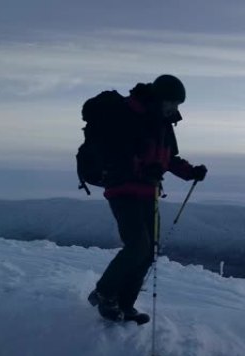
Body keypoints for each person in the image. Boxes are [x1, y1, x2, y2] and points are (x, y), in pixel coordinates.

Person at [87, 74, 207, 323]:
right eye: (172, 102)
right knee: (138, 245)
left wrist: (190, 172)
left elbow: (168, 158)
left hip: (148, 191)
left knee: (148, 251)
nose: (175, 108)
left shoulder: (163, 124)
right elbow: (116, 153)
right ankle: (104, 293)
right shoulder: (130, 116)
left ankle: (124, 304)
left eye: (177, 104)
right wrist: (142, 168)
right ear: (160, 98)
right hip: (123, 190)